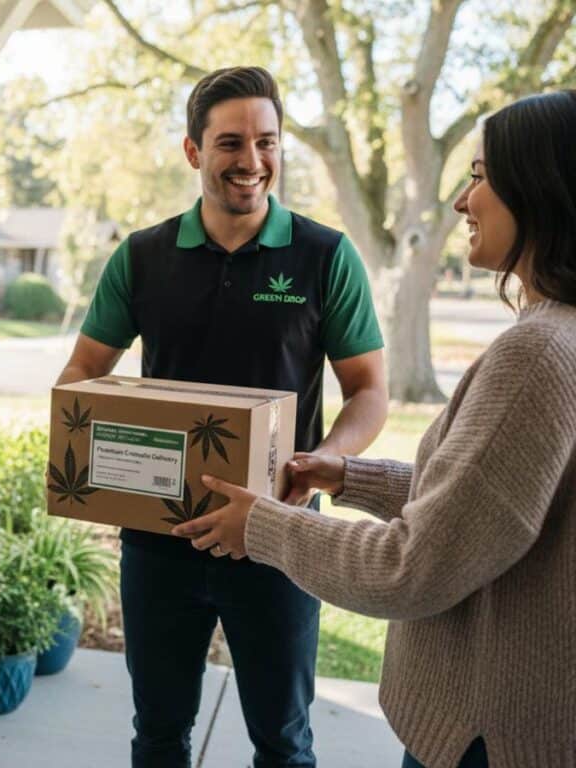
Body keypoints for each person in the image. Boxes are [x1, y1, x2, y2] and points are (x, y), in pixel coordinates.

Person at [171, 90, 576, 768]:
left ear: (536, 187)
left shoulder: (535, 353)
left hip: (490, 736)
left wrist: (263, 526)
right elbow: (489, 504)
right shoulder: (557, 337)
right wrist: (349, 475)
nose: (461, 201)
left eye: (477, 177)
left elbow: (411, 568)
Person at [55, 66, 389, 767]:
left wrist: (319, 464)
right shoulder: (142, 258)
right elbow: (83, 375)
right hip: (160, 542)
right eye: (231, 142)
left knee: (284, 740)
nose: (252, 161)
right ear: (193, 151)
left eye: (267, 142)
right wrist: (84, 450)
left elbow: (368, 390)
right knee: (158, 733)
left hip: (280, 538)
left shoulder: (324, 256)